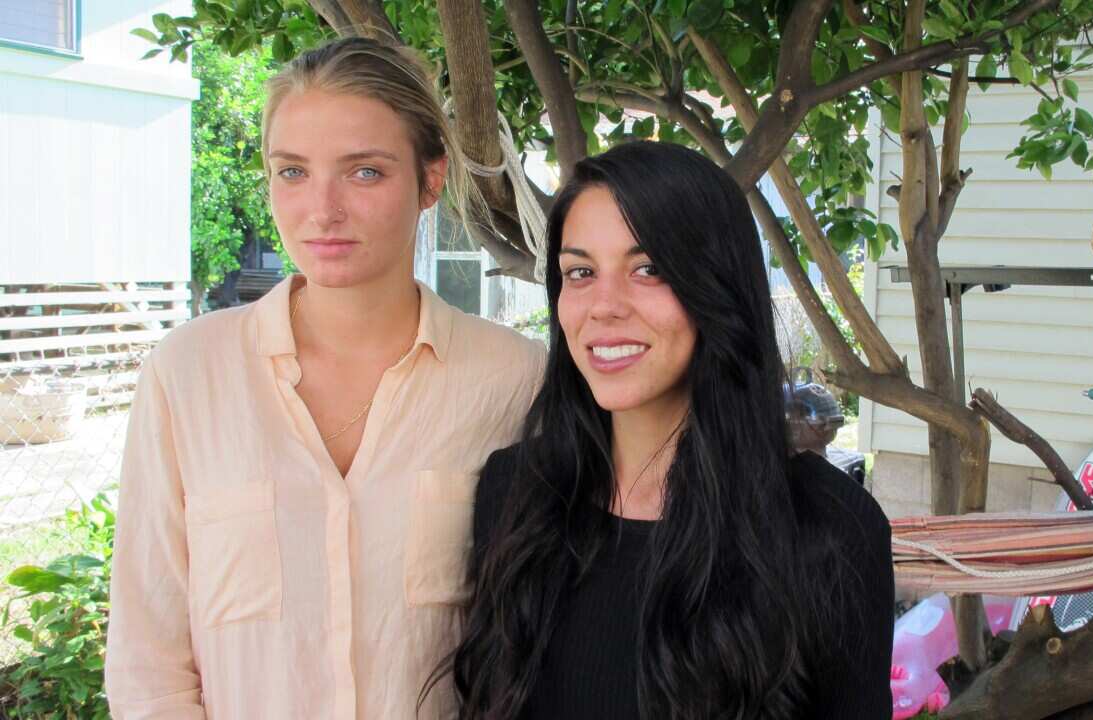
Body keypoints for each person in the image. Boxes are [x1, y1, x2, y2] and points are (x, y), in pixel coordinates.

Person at [105, 37, 544, 718]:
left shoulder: (514, 381)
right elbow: (148, 661)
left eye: (364, 172)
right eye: (292, 172)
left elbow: (540, 640)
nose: (322, 210)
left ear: (431, 179)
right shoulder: (187, 377)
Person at [448, 141, 894, 719]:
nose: (603, 305)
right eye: (580, 272)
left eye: (648, 268)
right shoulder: (515, 493)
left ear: (717, 286)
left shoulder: (829, 524)